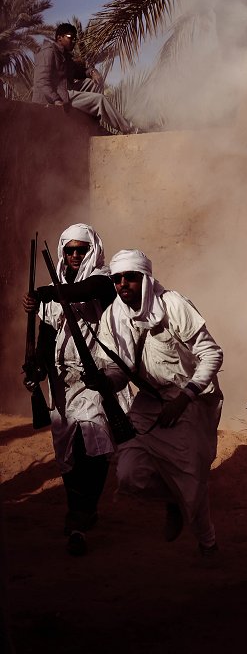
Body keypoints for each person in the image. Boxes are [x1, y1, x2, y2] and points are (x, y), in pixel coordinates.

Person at [97, 250, 223, 554]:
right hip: (149, 400)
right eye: (117, 279)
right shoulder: (111, 317)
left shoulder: (173, 305)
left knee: (190, 477)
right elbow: (118, 371)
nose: (123, 284)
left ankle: (207, 540)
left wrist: (184, 398)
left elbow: (212, 354)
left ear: (145, 278)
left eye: (130, 277)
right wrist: (106, 381)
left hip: (189, 397)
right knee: (129, 474)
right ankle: (172, 500)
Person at [22, 224, 127, 556]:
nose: (75, 255)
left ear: (92, 250)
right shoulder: (55, 291)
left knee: (91, 440)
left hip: (95, 376)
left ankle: (83, 512)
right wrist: (37, 368)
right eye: (69, 250)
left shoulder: (103, 280)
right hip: (60, 380)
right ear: (62, 252)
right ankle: (78, 508)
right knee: (66, 448)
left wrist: (46, 292)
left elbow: (85, 290)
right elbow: (47, 336)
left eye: (82, 249)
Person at [32, 22, 136, 134]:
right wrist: (56, 99)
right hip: (54, 97)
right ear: (59, 38)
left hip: (65, 92)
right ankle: (129, 129)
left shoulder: (65, 56)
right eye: (70, 37)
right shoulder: (48, 52)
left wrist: (92, 72)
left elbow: (79, 71)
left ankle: (93, 125)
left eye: (75, 38)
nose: (73, 41)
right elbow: (41, 81)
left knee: (94, 82)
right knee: (99, 99)